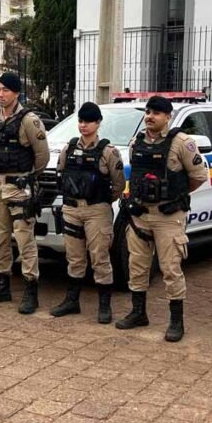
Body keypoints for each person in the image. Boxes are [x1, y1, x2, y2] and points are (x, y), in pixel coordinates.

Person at [117, 95, 209, 342]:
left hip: (169, 216)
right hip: (140, 215)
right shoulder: (137, 142)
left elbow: (199, 176)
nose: (150, 116)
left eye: (156, 113)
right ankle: (138, 313)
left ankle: (176, 322)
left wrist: (175, 195)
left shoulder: (182, 143)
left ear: (167, 116)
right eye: (148, 112)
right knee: (137, 265)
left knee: (170, 268)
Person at [0, 73, 50, 314]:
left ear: (16, 93)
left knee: (24, 239)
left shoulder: (29, 120)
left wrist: (28, 177)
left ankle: (31, 290)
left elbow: (42, 156)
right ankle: (2, 285)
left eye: (5, 90)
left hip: (19, 188)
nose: (0, 94)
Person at [51, 102, 126, 322]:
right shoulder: (69, 148)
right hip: (72, 209)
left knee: (100, 257)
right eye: (81, 121)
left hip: (97, 210)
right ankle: (72, 301)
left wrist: (101, 201)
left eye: (88, 121)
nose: (83, 126)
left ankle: (104, 306)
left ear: (98, 123)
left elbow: (118, 184)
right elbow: (60, 173)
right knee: (74, 257)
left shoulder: (108, 152)